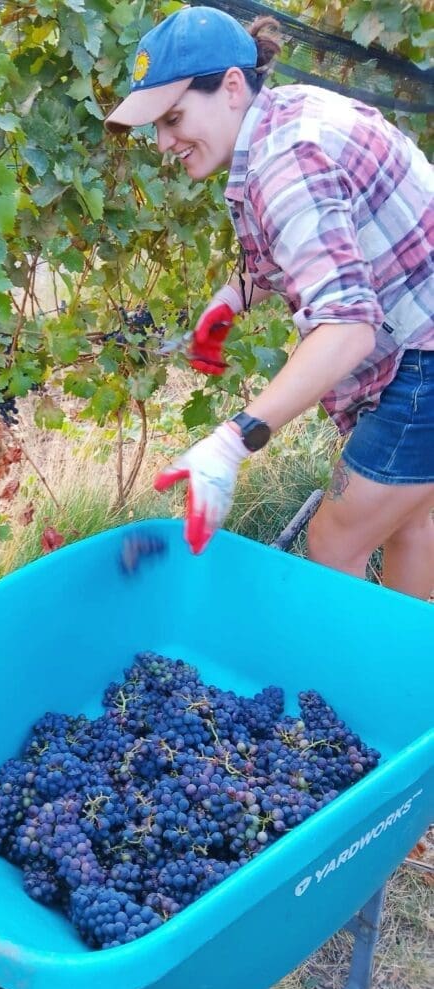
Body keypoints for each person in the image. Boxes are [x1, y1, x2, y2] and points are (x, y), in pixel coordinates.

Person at [105, 5, 434, 600]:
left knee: (336, 543)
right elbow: (320, 240)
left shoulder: (288, 160)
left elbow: (347, 329)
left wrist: (232, 443)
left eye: (173, 117)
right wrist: (233, 297)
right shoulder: (281, 118)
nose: (162, 142)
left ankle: (358, 687)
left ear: (232, 86)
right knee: (410, 519)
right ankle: (412, 680)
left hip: (425, 356)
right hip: (421, 331)